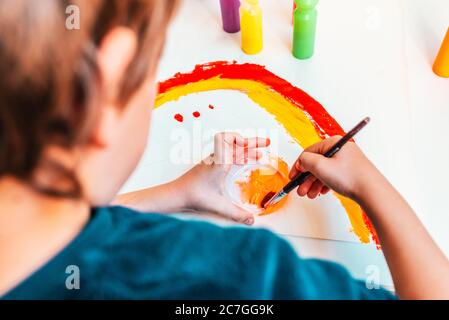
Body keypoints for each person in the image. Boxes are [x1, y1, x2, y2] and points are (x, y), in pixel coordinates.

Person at [1, 0, 448, 300]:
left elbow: (54, 232)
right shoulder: (240, 275)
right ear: (106, 83)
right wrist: (373, 187)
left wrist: (175, 193)